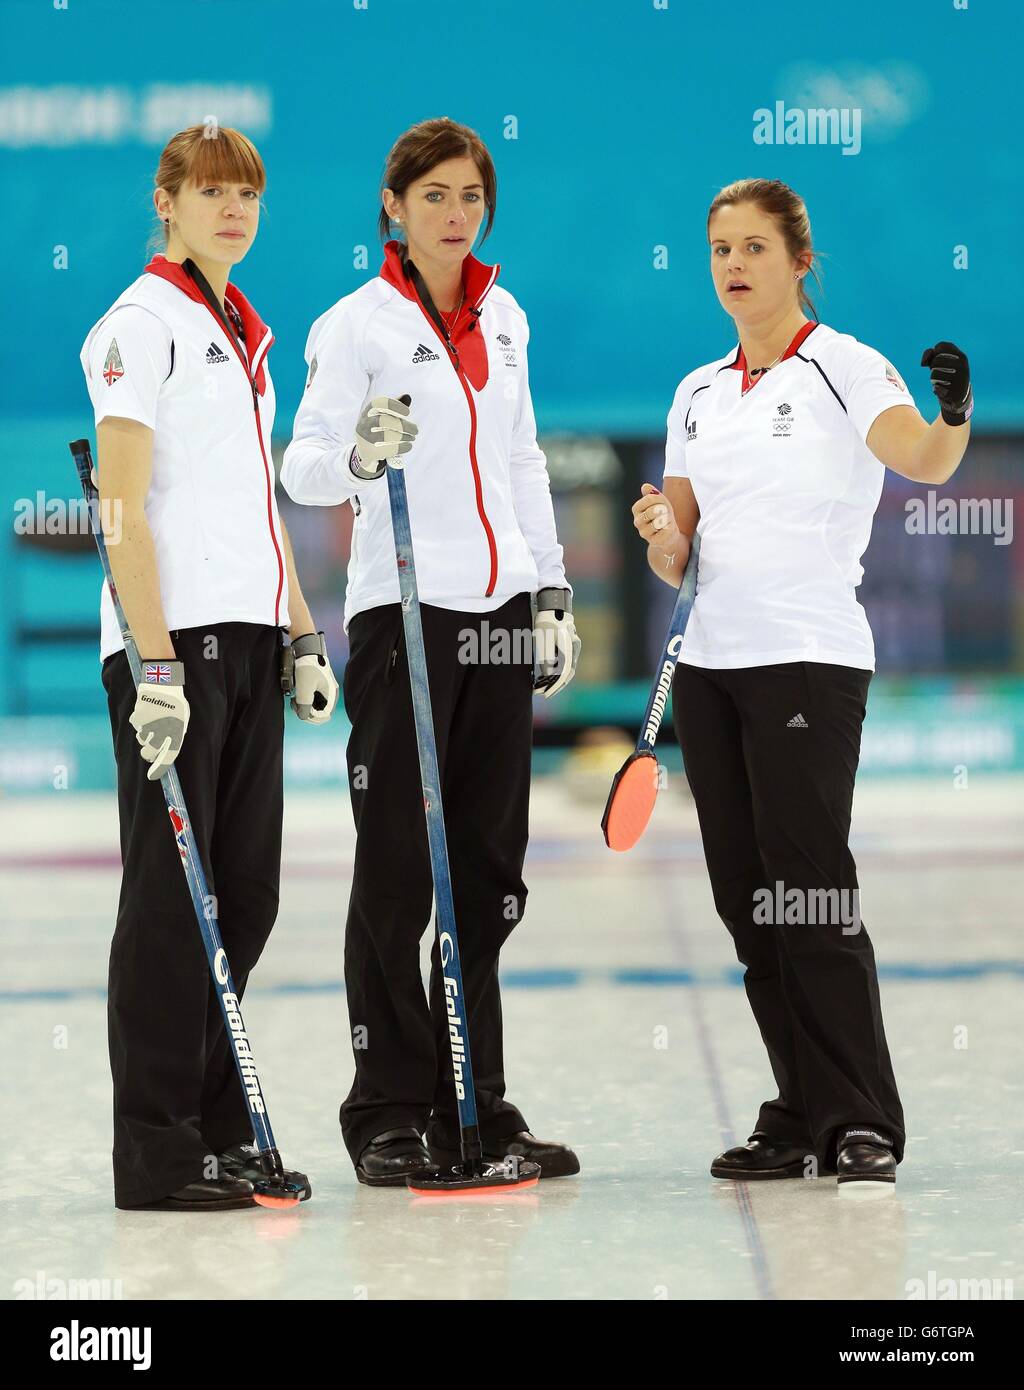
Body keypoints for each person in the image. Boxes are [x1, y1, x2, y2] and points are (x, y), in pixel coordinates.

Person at [632, 178, 972, 1188]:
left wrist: (951, 409)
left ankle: (859, 1117)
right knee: (750, 908)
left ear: (798, 260)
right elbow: (677, 554)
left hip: (808, 662)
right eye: (719, 250)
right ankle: (796, 1107)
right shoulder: (694, 392)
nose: (733, 266)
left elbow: (923, 459)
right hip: (710, 672)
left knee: (810, 893)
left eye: (754, 248)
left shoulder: (843, 366)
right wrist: (660, 535)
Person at [282, 116, 581, 1185]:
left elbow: (523, 457)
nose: (456, 215)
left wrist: (549, 586)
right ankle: (389, 1107)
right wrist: (362, 452)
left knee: (491, 879)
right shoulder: (353, 326)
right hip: (402, 619)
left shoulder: (506, 321)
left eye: (470, 196)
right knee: (404, 873)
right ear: (393, 208)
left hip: (501, 617)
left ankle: (476, 1102)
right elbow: (302, 467)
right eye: (435, 196)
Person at [80, 123, 338, 1211]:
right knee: (169, 904)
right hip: (171, 650)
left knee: (248, 894)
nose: (234, 210)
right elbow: (121, 502)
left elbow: (257, 507)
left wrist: (302, 630)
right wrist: (154, 661)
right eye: (212, 191)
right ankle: (157, 1147)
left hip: (247, 640)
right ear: (167, 200)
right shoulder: (141, 325)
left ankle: (224, 1130)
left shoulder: (237, 331)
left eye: (248, 194)